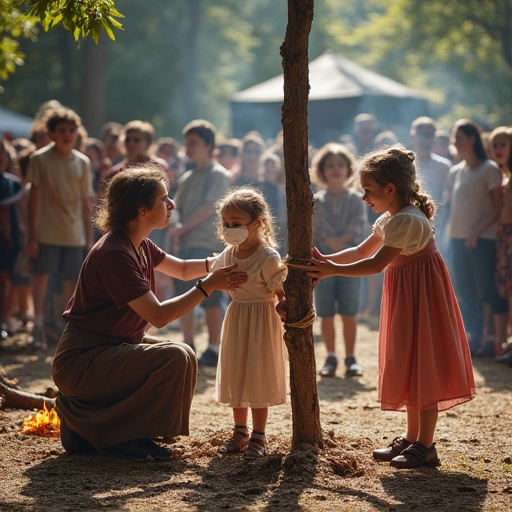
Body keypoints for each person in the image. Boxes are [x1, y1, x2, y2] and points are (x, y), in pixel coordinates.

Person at [52, 167, 248, 461]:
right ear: (142, 210)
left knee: (183, 355)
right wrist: (208, 287)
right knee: (175, 357)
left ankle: (109, 432)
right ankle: (110, 435)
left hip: (110, 350)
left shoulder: (138, 243)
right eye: (163, 200)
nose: (171, 205)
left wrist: (225, 260)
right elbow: (158, 316)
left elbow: (181, 268)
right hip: (81, 361)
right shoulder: (115, 254)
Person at [304, 145, 476, 469]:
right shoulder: (391, 217)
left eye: (368, 191)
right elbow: (359, 250)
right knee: (409, 363)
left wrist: (331, 271)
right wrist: (326, 261)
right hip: (407, 296)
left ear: (390, 188)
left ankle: (426, 445)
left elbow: (374, 264)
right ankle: (412, 438)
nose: (364, 198)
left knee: (424, 365)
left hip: (423, 298)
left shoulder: (408, 220)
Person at [210, 187, 287, 459]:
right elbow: (214, 273)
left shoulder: (267, 256)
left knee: (258, 376)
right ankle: (240, 432)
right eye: (226, 224)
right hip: (237, 317)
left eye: (237, 224)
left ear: (257, 223)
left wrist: (283, 306)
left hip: (262, 322)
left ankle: (259, 436)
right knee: (237, 374)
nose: (231, 229)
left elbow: (279, 290)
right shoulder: (229, 253)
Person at [26, 107, 94, 349]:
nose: (68, 134)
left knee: (70, 281)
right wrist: (32, 237)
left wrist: (88, 238)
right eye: (62, 130)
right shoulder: (39, 159)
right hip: (46, 232)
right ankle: (38, 326)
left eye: (72, 130)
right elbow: (33, 199)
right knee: (41, 278)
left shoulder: (83, 162)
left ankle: (66, 329)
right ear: (51, 133)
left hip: (74, 234)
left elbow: (86, 202)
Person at [170, 119, 232, 366]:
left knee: (211, 297)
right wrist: (175, 228)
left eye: (193, 143)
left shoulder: (219, 174)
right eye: (187, 144)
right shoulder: (187, 176)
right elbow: (176, 207)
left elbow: (209, 208)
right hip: (185, 244)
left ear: (208, 145)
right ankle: (188, 344)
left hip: (209, 243)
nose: (188, 148)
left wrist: (181, 228)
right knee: (184, 294)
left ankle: (214, 347)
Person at [446, 119, 508, 357]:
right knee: (465, 290)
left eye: (458, 137)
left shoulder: (489, 169)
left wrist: (476, 234)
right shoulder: (456, 171)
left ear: (472, 138)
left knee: (488, 289)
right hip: (457, 239)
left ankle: (496, 340)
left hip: (482, 240)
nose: (455, 142)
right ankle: (474, 339)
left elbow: (497, 206)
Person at [311, 143, 367, 377]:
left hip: (349, 261)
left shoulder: (356, 199)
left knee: (348, 311)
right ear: (322, 170)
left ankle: (351, 357)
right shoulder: (316, 200)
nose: (335, 169)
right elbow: (315, 225)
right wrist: (330, 240)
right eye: (330, 165)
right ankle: (331, 356)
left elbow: (358, 224)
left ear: (348, 169)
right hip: (322, 262)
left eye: (340, 165)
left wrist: (342, 239)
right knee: (325, 312)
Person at [409, 117, 452, 256]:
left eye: (429, 135)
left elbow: (450, 201)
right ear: (413, 135)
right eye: (422, 134)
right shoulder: (404, 164)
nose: (426, 140)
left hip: (436, 228)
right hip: (407, 226)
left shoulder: (444, 167)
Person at [489, 126, 512, 363]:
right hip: (504, 236)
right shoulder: (503, 174)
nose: (498, 149)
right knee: (505, 288)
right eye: (494, 145)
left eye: (502, 144)